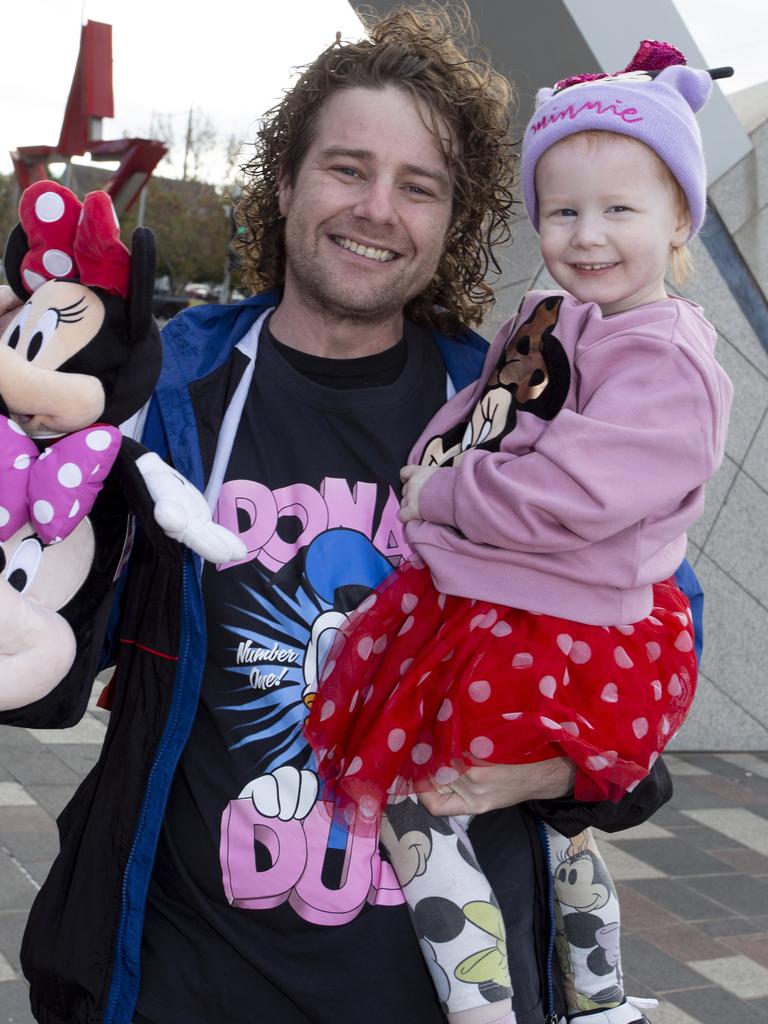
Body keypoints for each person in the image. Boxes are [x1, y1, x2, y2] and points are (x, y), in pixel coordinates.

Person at [0, 8, 681, 1024]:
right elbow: (46, 659)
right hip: (185, 978)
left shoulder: (531, 405)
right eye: (347, 169)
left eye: (420, 187)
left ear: (456, 218)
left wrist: (563, 768)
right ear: (283, 182)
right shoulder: (167, 395)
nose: (377, 209)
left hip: (452, 989)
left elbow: (646, 681)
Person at [305, 46, 732, 1024]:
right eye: (563, 211)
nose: (585, 236)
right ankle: (600, 991)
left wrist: (442, 497)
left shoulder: (666, 355)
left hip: (568, 629)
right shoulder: (568, 322)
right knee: (537, 825)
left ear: (680, 223)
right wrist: (437, 476)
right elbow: (478, 417)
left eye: (619, 210)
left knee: (420, 795)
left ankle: (490, 1003)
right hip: (536, 616)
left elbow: (569, 491)